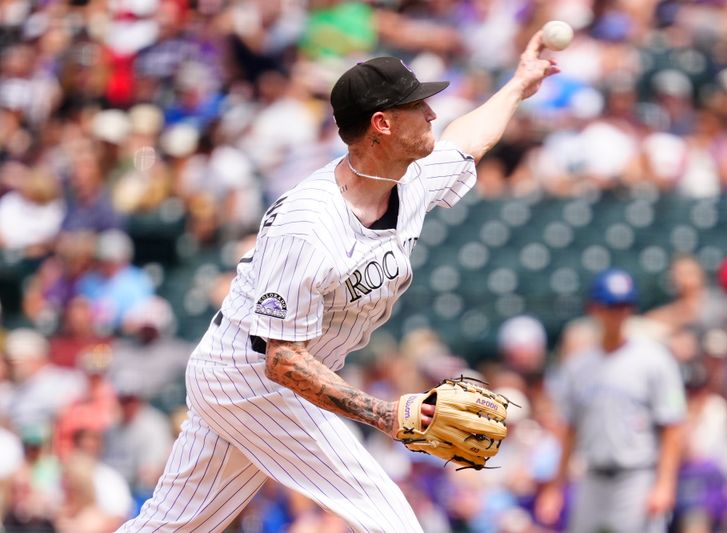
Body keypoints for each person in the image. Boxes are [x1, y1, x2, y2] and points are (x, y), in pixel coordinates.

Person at [118, 31, 559, 532]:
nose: (432, 114)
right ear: (383, 124)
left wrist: (520, 83)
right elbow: (282, 361)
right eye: (420, 106)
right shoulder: (309, 226)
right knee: (391, 520)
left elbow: (469, 139)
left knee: (171, 525)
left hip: (273, 375)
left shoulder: (405, 181)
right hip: (251, 378)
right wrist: (385, 414)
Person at [536, 268, 687, 533]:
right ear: (594, 308)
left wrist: (665, 484)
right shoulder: (578, 365)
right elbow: (569, 430)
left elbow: (672, 427)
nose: (618, 313)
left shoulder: (654, 359)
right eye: (611, 305)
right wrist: (555, 488)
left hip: (637, 475)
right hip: (592, 476)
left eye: (624, 305)